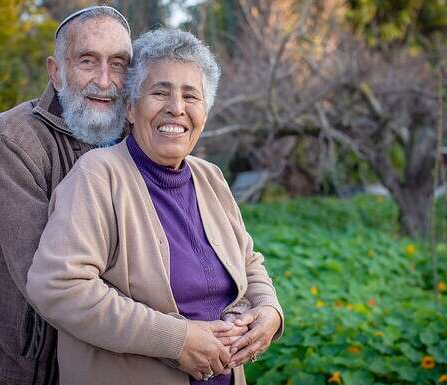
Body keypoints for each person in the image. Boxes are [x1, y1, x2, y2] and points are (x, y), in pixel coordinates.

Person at [26, 28, 283, 385]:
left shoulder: (211, 178)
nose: (176, 108)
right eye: (160, 92)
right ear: (130, 107)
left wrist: (270, 310)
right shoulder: (98, 175)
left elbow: (248, 261)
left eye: (191, 96)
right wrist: (177, 341)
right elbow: (57, 285)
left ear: (204, 113)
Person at [0, 6, 133, 384]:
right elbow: (46, 277)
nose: (105, 81)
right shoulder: (15, 138)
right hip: (26, 366)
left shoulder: (136, 141)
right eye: (88, 60)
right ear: (56, 72)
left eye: (118, 64)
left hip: (112, 364)